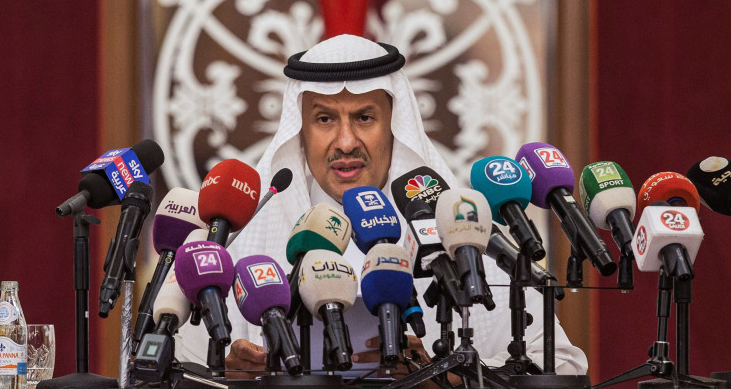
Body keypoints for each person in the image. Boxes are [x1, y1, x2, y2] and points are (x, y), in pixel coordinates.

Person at [174, 34, 588, 379]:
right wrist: (224, 378)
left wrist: (444, 377)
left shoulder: (460, 225)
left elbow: (564, 366)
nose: (346, 141)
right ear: (299, 132)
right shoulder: (248, 233)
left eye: (365, 117)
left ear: (395, 126)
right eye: (324, 120)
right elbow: (174, 368)